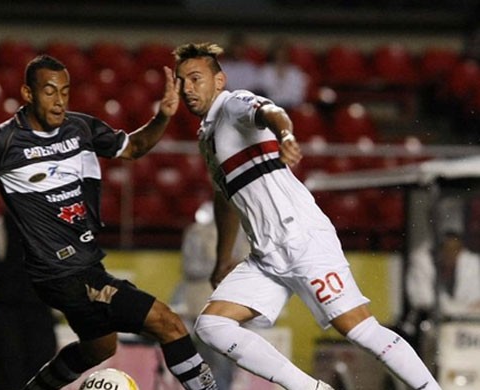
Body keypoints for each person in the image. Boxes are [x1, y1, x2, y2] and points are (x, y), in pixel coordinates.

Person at [0, 54, 219, 390]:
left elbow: (133, 148)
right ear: (28, 94)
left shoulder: (81, 128)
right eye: (49, 92)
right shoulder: (1, 141)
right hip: (61, 272)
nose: (59, 101)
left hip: (86, 266)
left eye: (65, 92)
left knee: (100, 348)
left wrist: (161, 117)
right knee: (168, 323)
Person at [172, 42, 442, 390]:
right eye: (182, 81)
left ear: (219, 80)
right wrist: (222, 258)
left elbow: (271, 111)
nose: (188, 88)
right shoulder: (207, 135)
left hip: (300, 238)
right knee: (212, 326)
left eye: (196, 78)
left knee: (359, 329)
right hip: (265, 255)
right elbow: (225, 198)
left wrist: (285, 134)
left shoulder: (233, 104)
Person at [0, 209, 57, 390]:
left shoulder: (46, 228)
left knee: (42, 364)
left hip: (39, 310)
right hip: (4, 310)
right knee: (7, 366)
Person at [174, 201, 250, 390]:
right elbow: (189, 267)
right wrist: (220, 266)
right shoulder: (195, 232)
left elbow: (247, 262)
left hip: (231, 301)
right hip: (201, 301)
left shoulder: (242, 232)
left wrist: (233, 266)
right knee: (205, 357)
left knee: (227, 357)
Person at [258, 40, 308, 110]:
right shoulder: (265, 71)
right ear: (273, 55)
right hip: (270, 108)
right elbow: (262, 92)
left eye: (283, 54)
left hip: (292, 108)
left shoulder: (296, 72)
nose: (280, 57)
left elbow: (299, 95)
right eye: (278, 54)